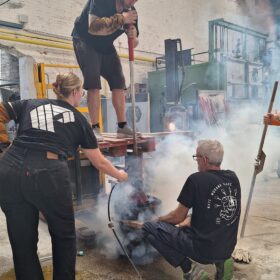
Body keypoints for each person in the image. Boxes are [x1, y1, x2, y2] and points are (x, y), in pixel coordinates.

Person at [0, 72, 128, 280]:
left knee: (22, 241)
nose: (82, 97)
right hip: (47, 172)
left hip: (8, 171)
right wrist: (120, 175)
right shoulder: (79, 119)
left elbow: (1, 111)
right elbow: (99, 162)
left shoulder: (32, 103)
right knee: (64, 237)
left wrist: (3, 146)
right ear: (76, 92)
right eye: (82, 93)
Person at [143, 140, 241, 280]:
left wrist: (158, 219)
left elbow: (177, 217)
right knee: (192, 218)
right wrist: (190, 218)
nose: (196, 161)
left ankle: (189, 269)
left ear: (205, 160)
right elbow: (215, 209)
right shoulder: (233, 177)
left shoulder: (196, 179)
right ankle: (224, 262)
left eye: (197, 157)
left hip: (203, 250)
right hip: (227, 248)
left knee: (149, 229)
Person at [72, 0, 139, 140]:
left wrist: (133, 36)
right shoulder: (102, 1)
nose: (134, 1)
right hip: (85, 41)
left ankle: (122, 127)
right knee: (93, 83)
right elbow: (94, 27)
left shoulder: (131, 11)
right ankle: (95, 128)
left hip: (105, 45)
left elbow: (135, 41)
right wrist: (122, 18)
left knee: (118, 81)